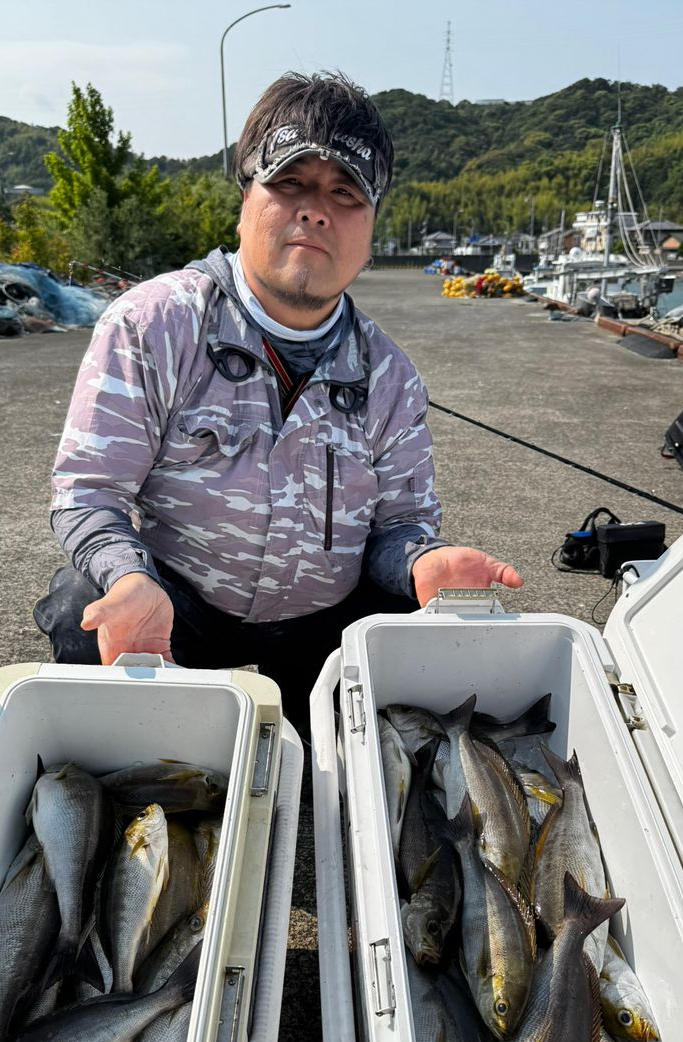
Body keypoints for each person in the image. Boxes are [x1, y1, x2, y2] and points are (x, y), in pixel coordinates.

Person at [34, 72, 522, 725]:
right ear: (245, 199)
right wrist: (130, 578)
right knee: (82, 605)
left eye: (345, 192)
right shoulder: (154, 323)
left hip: (325, 620)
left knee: (417, 626)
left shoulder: (392, 377)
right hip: (180, 607)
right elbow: (89, 491)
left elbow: (400, 527)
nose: (316, 209)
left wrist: (424, 560)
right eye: (290, 182)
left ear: (371, 225)